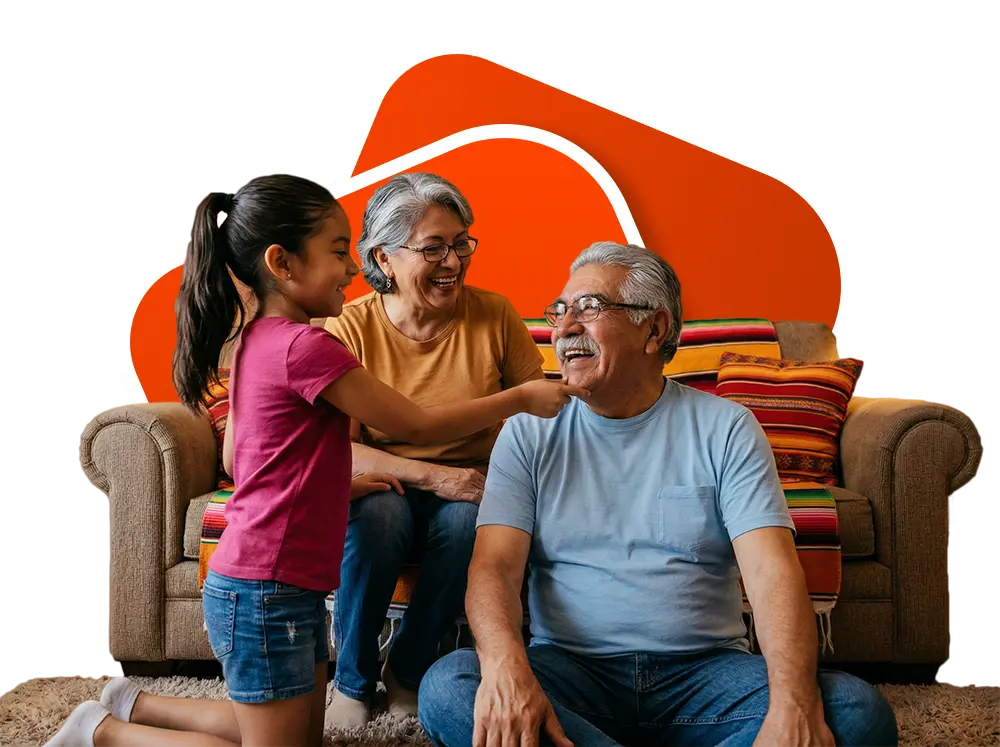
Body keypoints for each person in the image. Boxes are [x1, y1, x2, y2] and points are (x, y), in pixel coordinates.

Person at [44, 173, 586, 747]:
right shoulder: (310, 346)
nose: (352, 270)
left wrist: (334, 484)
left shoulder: (261, 338)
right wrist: (522, 397)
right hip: (264, 585)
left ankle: (134, 701)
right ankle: (103, 733)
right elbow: (415, 424)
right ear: (282, 263)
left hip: (280, 581)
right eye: (336, 252)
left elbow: (250, 457)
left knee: (293, 732)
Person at [418, 242, 899, 747]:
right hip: (570, 675)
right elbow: (493, 567)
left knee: (854, 710)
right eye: (560, 311)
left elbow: (771, 570)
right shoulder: (528, 432)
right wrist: (504, 667)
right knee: (452, 687)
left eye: (589, 307)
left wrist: (793, 705)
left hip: (706, 678)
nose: (564, 328)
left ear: (655, 330)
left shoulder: (726, 427)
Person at [323, 172, 548, 726]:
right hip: (388, 480)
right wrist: (432, 475)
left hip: (475, 484)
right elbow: (338, 454)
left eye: (461, 243)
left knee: (468, 521)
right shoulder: (348, 329)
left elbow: (540, 416)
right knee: (377, 515)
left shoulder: (494, 315)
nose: (453, 261)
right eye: (433, 248)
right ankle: (351, 682)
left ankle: (408, 670)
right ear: (385, 257)